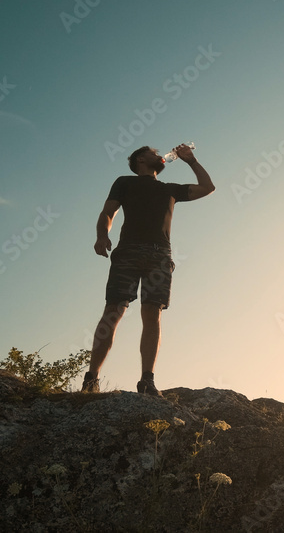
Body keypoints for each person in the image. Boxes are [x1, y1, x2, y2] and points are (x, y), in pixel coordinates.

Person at [82, 144, 215, 396]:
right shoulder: (125, 182)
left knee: (152, 314)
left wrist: (191, 160)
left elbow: (208, 188)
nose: (160, 155)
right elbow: (108, 211)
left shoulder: (169, 189)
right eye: (154, 152)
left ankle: (147, 380)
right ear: (141, 159)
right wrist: (102, 235)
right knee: (113, 311)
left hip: (160, 255)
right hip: (129, 250)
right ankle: (92, 378)